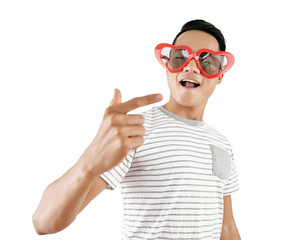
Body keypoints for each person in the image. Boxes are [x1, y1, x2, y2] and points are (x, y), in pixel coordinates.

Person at [32, 19, 241, 240]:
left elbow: (226, 228)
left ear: (219, 75)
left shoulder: (222, 143)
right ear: (168, 67)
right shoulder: (134, 129)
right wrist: (90, 160)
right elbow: (43, 222)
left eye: (206, 61)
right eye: (179, 57)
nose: (190, 66)